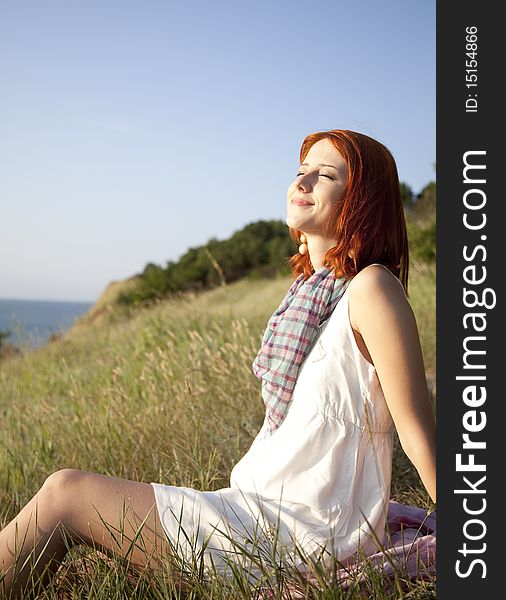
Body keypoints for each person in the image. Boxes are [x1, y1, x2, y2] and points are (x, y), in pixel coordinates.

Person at [0, 129, 436, 597]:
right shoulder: (311, 298)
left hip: (300, 535)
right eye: (300, 171)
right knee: (68, 495)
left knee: (66, 493)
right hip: (257, 511)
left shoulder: (372, 289)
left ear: (361, 200)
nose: (303, 181)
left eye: (325, 174)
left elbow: (415, 427)